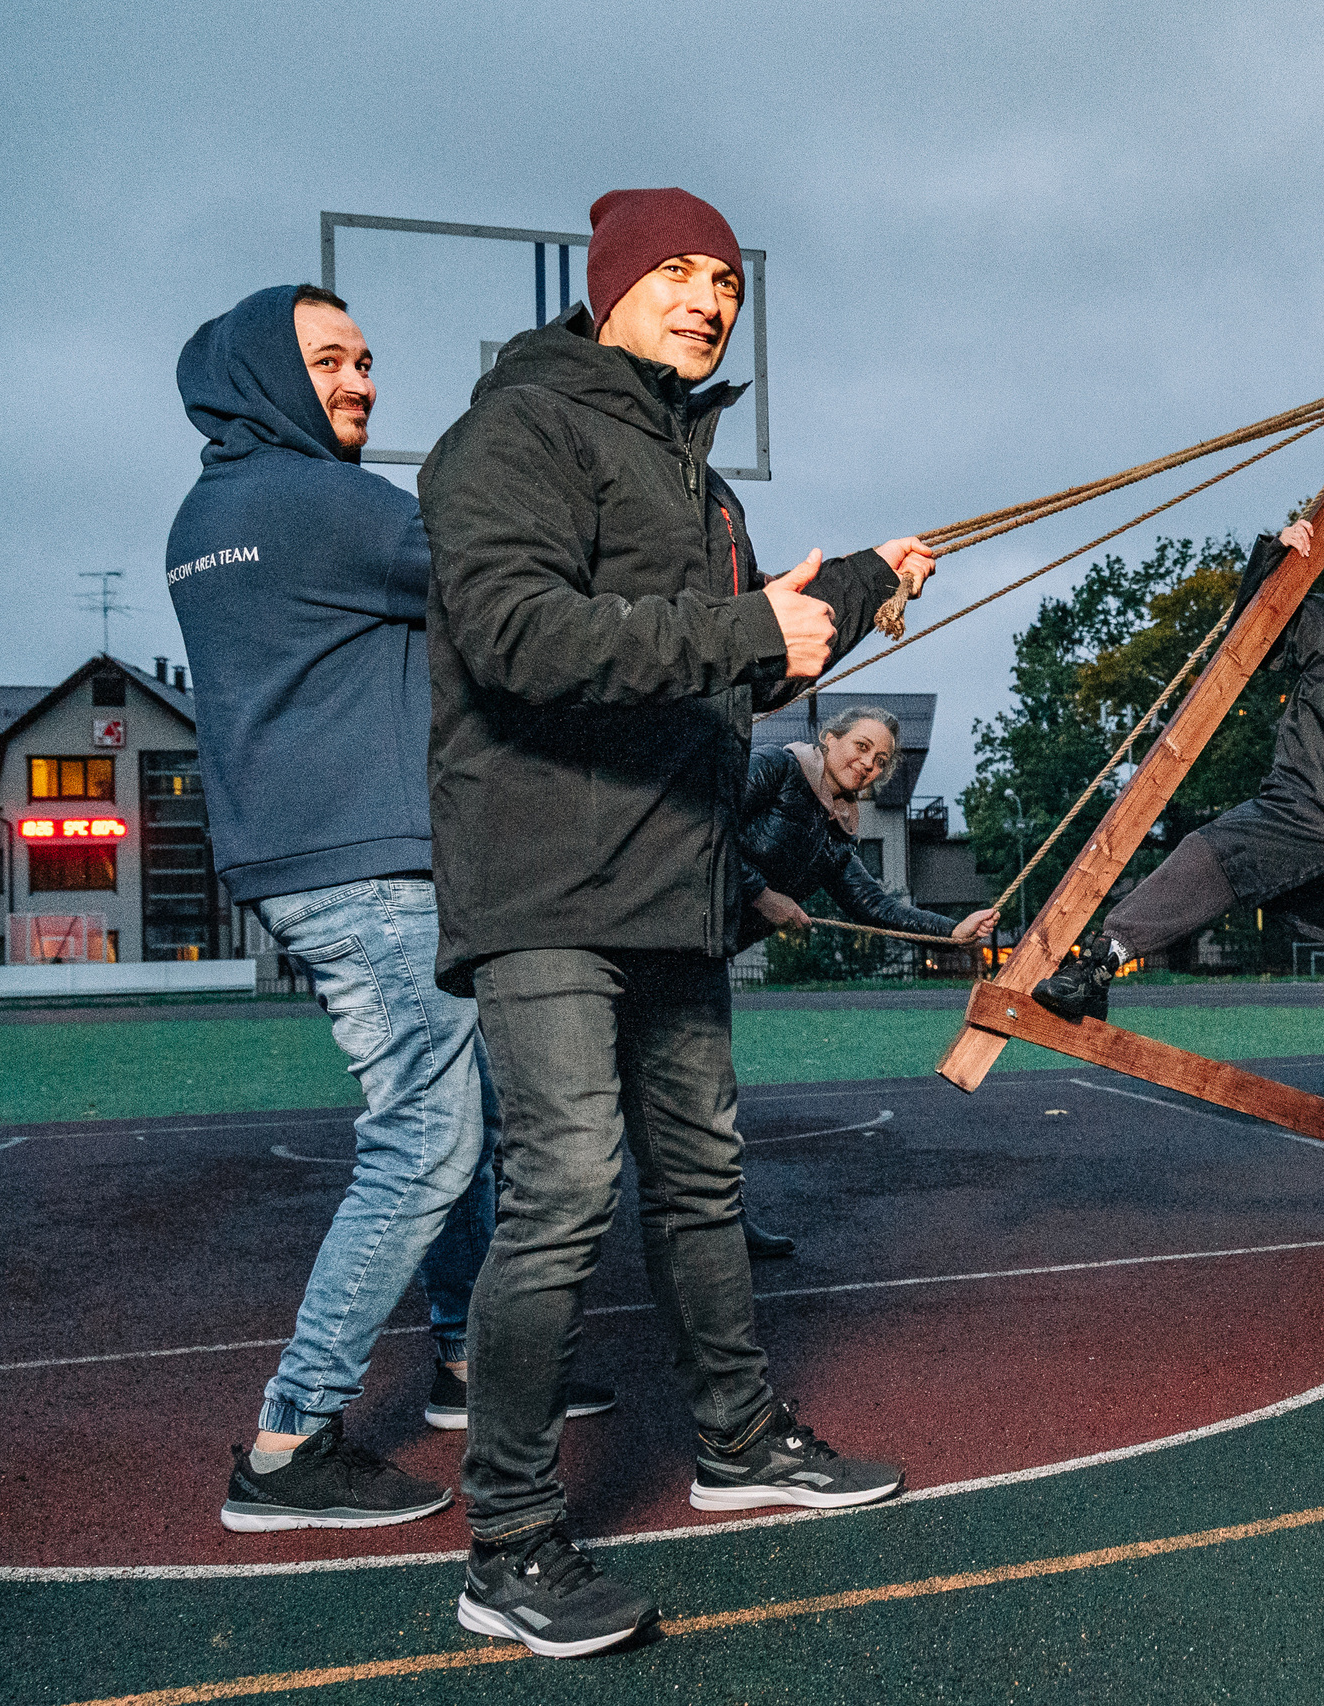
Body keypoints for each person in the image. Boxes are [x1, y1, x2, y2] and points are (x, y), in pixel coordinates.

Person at [422, 187, 936, 1659]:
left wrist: (852, 590)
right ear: (612, 287)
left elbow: (726, 667)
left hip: (673, 878)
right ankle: (508, 1540)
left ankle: (737, 1438)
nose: (709, 300)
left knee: (704, 1176)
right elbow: (518, 636)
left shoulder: (699, 480)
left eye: (727, 281)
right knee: (567, 1184)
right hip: (545, 875)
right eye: (679, 273)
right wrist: (747, 625)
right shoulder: (515, 429)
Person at [170, 284, 612, 1536]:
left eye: (365, 359)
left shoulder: (212, 509)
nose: (360, 379)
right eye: (328, 360)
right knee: (427, 1136)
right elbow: (507, 581)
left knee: (463, 1111)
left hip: (311, 861)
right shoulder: (323, 500)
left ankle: (469, 1354)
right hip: (365, 868)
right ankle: (289, 1439)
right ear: (265, 374)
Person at [1031, 501, 1324, 1130]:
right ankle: (1097, 966)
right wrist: (1274, 559)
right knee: (1212, 852)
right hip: (1306, 804)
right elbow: (1253, 635)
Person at [733, 704, 996, 1254]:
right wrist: (762, 894)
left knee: (708, 1105)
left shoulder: (836, 833)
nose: (869, 764)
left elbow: (875, 906)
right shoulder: (776, 768)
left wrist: (953, 932)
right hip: (665, 934)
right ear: (829, 739)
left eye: (880, 760)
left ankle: (722, 1222)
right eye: (861, 747)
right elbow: (705, 831)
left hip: (707, 955)